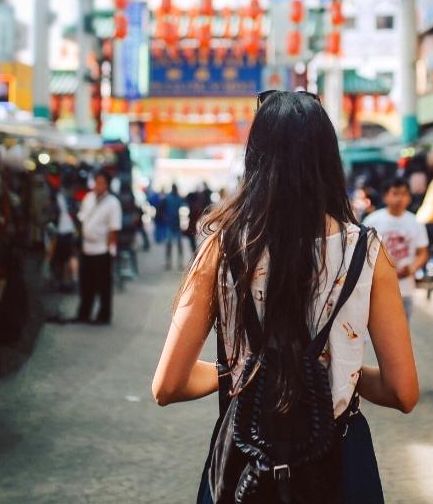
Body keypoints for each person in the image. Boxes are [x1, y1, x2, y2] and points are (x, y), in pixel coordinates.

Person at [152, 91, 418, 503]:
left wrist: (240, 370)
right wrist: (336, 370)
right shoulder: (366, 252)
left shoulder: (221, 248)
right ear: (329, 160)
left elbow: (167, 386)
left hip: (247, 460)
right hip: (341, 464)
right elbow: (403, 392)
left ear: (254, 158)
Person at [364, 177, 431, 321]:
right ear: (385, 196)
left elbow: (423, 253)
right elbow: (363, 253)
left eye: (404, 194)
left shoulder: (416, 222)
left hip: (405, 289)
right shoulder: (372, 221)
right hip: (377, 290)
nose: (400, 198)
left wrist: (411, 268)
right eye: (395, 193)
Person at [76, 170, 122, 325]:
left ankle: (104, 315)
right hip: (86, 248)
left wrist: (111, 250)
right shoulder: (88, 198)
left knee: (103, 285)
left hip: (102, 249)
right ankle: (84, 313)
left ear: (107, 185)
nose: (98, 185)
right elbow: (82, 217)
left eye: (101, 182)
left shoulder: (113, 203)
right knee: (86, 283)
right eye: (96, 182)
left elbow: (114, 229)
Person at [161, 185, 188, 270]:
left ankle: (179, 262)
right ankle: (168, 262)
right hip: (171, 224)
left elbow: (185, 208)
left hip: (176, 224)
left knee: (177, 244)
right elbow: (162, 209)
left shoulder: (177, 198)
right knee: (169, 244)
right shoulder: (168, 198)